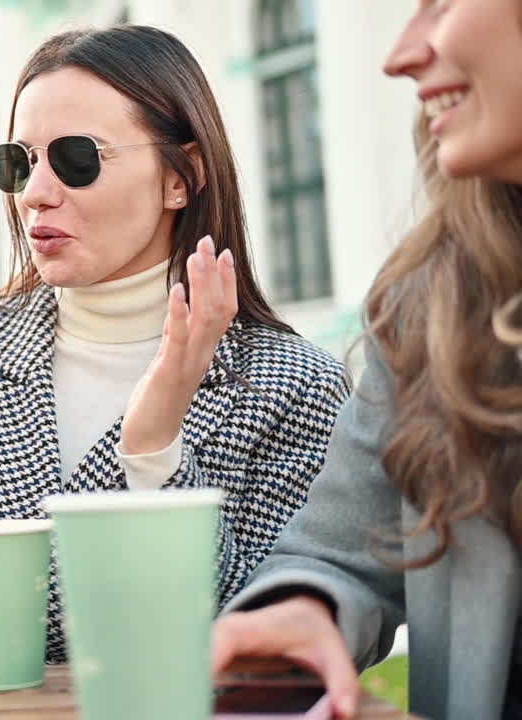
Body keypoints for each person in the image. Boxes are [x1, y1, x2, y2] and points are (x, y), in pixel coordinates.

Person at [0, 24, 351, 674]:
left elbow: (264, 658)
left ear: (181, 177)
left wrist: (156, 451)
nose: (34, 193)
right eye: (18, 162)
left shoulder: (296, 387)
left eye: (78, 158)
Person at [211, 2, 522, 719]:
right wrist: (300, 611)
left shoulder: (283, 374)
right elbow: (337, 557)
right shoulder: (434, 304)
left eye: (441, 4)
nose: (402, 54)